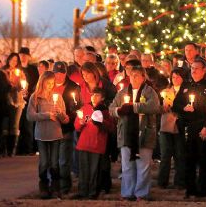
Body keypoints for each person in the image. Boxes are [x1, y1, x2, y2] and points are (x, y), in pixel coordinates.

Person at [111, 65, 160, 201]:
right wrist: (119, 110)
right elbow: (111, 108)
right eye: (132, 75)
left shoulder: (149, 92)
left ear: (143, 77)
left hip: (144, 133)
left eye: (137, 75)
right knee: (127, 166)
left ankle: (141, 194)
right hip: (126, 133)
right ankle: (128, 193)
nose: (133, 78)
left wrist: (134, 107)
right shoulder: (123, 92)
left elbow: (154, 106)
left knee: (143, 166)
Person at [172, 58, 206, 198]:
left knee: (204, 158)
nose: (194, 71)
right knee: (189, 159)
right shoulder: (186, 85)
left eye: (197, 68)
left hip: (202, 125)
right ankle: (189, 188)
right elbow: (176, 104)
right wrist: (184, 108)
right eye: (192, 68)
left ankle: (203, 189)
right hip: (188, 126)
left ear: (204, 70)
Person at [27, 71, 69, 199]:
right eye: (48, 83)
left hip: (55, 133)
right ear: (42, 82)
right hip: (41, 134)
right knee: (44, 162)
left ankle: (55, 187)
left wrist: (60, 113)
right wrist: (46, 115)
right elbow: (30, 116)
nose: (50, 85)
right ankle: (44, 186)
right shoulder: (35, 97)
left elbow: (65, 119)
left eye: (52, 83)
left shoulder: (58, 97)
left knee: (54, 163)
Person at [74, 87, 115, 199]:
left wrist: (101, 122)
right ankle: (82, 191)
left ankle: (92, 192)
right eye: (92, 95)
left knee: (94, 171)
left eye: (97, 95)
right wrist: (81, 122)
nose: (94, 97)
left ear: (102, 98)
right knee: (83, 170)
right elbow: (77, 126)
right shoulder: (85, 108)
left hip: (97, 145)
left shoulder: (105, 111)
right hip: (84, 144)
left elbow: (111, 127)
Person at [52, 61, 80, 194]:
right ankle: (54, 185)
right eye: (56, 73)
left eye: (62, 73)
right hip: (50, 130)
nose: (59, 76)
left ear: (65, 73)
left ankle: (64, 187)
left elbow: (77, 106)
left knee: (63, 161)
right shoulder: (47, 86)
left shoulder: (73, 87)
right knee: (52, 161)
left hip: (66, 129)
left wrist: (71, 116)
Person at [157, 68, 186, 189]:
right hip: (166, 125)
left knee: (180, 154)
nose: (175, 79)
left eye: (178, 77)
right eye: (173, 77)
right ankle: (162, 181)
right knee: (165, 154)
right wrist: (163, 107)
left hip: (179, 124)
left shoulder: (186, 91)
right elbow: (158, 108)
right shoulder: (166, 91)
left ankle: (179, 181)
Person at [2, 53, 26, 157]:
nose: (14, 62)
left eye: (16, 61)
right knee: (5, 124)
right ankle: (3, 149)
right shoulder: (3, 72)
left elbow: (23, 87)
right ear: (8, 60)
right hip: (6, 99)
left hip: (18, 100)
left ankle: (12, 150)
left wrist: (20, 83)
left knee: (15, 124)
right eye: (12, 60)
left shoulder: (20, 73)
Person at [18, 47, 39, 156]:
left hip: (30, 99)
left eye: (25, 55)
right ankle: (19, 149)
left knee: (29, 125)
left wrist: (30, 93)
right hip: (18, 100)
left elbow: (36, 83)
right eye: (21, 55)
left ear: (28, 56)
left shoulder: (33, 69)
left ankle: (29, 148)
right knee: (19, 125)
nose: (23, 57)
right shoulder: (17, 68)